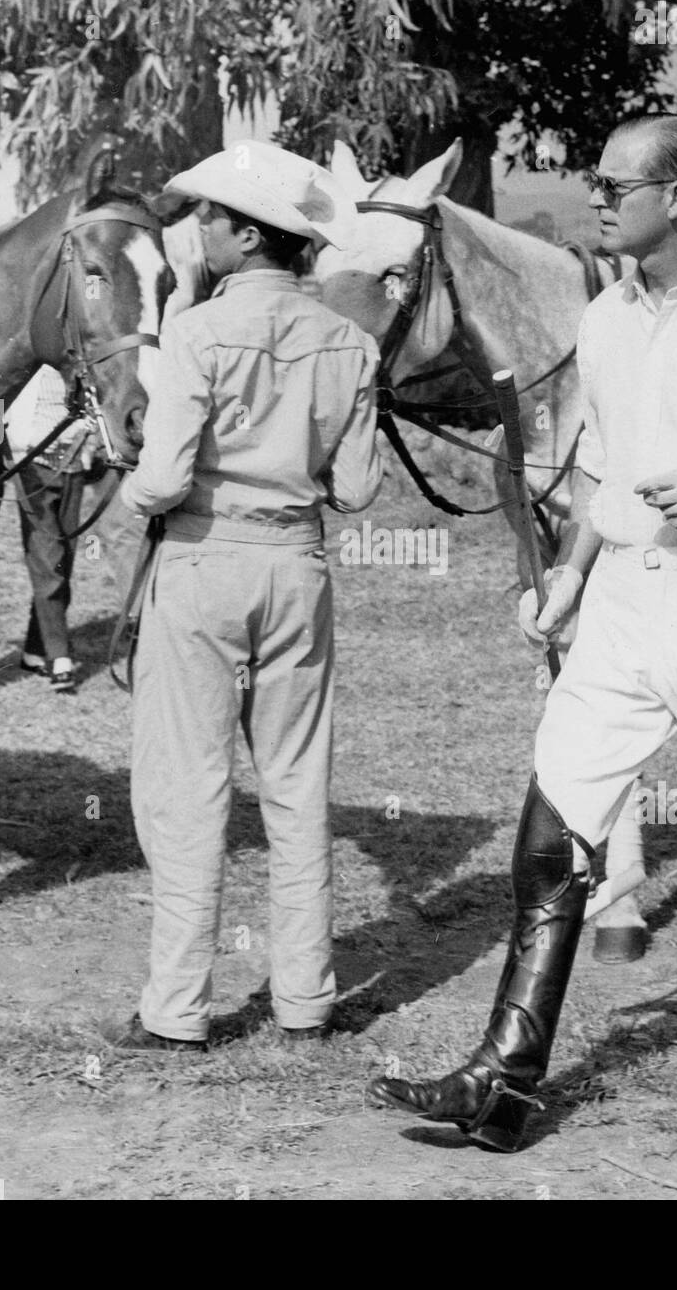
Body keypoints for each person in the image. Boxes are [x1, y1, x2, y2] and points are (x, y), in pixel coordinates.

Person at [368, 113, 677, 1152]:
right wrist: (565, 577)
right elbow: (601, 466)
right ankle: (505, 1078)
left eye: (616, 185)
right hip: (620, 605)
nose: (596, 199)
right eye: (595, 182)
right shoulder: (604, 317)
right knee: (553, 826)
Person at [114, 141, 383, 1052]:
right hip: (297, 567)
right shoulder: (351, 342)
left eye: (208, 218)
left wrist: (129, 487)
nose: (198, 231)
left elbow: (159, 482)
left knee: (185, 788)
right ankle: (304, 999)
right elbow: (355, 489)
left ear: (242, 233)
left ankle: (178, 1008)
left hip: (201, 563)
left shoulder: (194, 332)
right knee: (298, 787)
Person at [5, 367, 101, 693]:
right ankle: (60, 657)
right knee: (48, 557)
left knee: (64, 560)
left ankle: (35, 649)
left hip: (72, 464)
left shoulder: (79, 362)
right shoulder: (30, 358)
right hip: (32, 464)